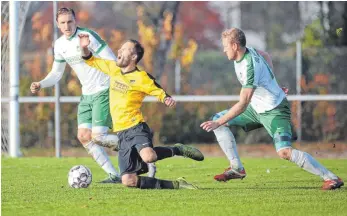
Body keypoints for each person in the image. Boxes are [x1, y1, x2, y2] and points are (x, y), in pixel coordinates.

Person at [200, 28, 344, 190]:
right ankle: (237, 168)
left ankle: (331, 178)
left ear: (234, 46)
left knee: (284, 152)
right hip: (256, 108)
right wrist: (271, 82)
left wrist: (218, 122)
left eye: (225, 46)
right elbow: (266, 55)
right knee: (217, 120)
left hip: (275, 110)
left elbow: (242, 104)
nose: (223, 49)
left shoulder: (249, 66)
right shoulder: (248, 51)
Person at [29, 7, 155, 182]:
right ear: (58, 25)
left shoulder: (88, 37)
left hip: (103, 89)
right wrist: (40, 84)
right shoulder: (59, 45)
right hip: (86, 94)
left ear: (75, 21)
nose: (67, 26)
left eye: (70, 21)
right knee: (84, 136)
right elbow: (57, 73)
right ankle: (114, 174)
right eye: (63, 23)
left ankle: (141, 151)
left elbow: (112, 61)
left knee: (99, 137)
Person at [79, 33, 204, 189]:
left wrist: (166, 98)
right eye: (121, 48)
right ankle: (176, 185)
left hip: (136, 127)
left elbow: (155, 88)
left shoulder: (140, 77)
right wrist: (84, 48)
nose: (119, 50)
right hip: (122, 134)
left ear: (133, 57)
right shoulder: (113, 69)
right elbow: (90, 59)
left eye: (124, 49)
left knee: (149, 156)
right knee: (128, 181)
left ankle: (177, 149)